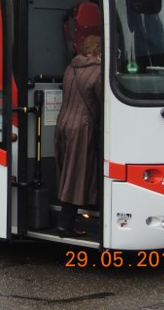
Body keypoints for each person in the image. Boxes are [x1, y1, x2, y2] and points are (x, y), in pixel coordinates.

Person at [54, 35, 102, 238]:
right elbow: (104, 101)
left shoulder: (70, 67)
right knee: (76, 174)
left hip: (63, 123)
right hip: (83, 126)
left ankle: (68, 220)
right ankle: (65, 224)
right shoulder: (98, 71)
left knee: (69, 171)